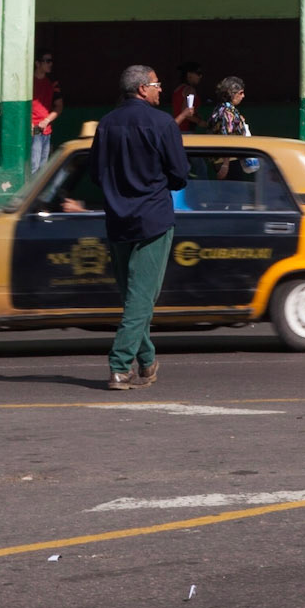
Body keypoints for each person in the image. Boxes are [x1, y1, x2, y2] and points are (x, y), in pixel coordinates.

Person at [87, 64, 189, 393]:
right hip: (153, 219)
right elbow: (180, 175)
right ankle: (119, 366)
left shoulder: (107, 124)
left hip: (117, 219)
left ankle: (147, 361)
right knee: (142, 297)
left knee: (134, 296)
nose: (161, 90)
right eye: (158, 84)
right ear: (143, 88)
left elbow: (96, 175)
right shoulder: (162, 124)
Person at [30, 50, 63, 172]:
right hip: (34, 130)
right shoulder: (28, 83)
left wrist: (47, 120)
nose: (50, 64)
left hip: (46, 130)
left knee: (43, 169)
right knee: (34, 167)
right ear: (37, 63)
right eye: (47, 61)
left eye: (51, 61)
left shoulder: (53, 83)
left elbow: (59, 106)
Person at [172, 60, 203, 133]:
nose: (200, 76)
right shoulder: (190, 90)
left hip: (177, 129)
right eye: (198, 73)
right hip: (186, 131)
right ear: (189, 74)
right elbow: (187, 113)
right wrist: (201, 122)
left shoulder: (178, 89)